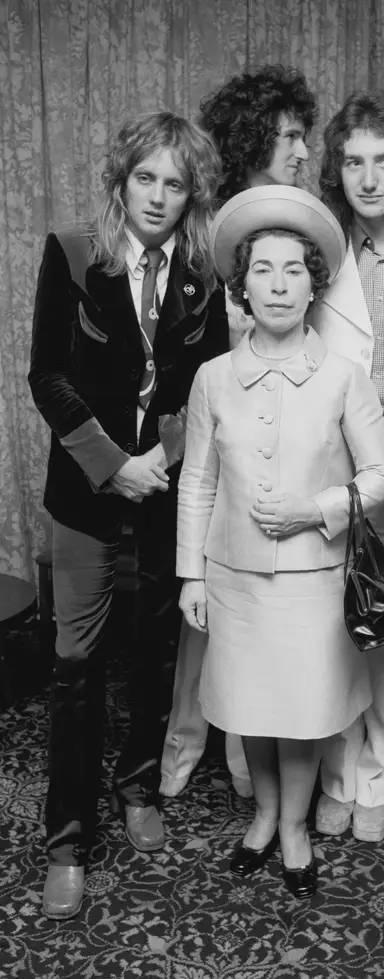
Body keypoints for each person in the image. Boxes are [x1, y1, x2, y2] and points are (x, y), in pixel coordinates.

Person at [29, 111, 228, 920]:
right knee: (76, 670)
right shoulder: (74, 252)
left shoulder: (205, 273)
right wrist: (116, 465)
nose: (157, 195)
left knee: (151, 655)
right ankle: (68, 838)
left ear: (191, 195)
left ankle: (138, 787)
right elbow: (48, 376)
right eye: (145, 177)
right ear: (122, 179)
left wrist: (161, 464)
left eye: (174, 183)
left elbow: (204, 389)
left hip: (164, 498)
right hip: (84, 498)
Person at [176, 184, 384, 898]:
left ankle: (295, 825)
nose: (277, 283)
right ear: (242, 286)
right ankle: (265, 815)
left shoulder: (342, 377)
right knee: (252, 709)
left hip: (313, 578)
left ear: (314, 284)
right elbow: (198, 484)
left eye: (293, 269)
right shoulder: (212, 379)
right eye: (262, 270)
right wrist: (191, 575)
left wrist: (315, 508)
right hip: (233, 576)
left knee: (301, 714)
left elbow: (382, 475)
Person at [160, 65, 317, 800]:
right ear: (255, 137)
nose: (302, 151)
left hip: (286, 454)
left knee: (262, 629)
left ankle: (246, 766)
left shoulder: (303, 227)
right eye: (290, 135)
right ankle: (183, 750)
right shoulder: (208, 230)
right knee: (203, 615)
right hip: (210, 439)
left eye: (304, 136)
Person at [307, 91, 384, 844]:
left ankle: (379, 777)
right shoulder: (321, 251)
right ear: (337, 169)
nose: (369, 178)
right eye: (354, 161)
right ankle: (337, 776)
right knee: (331, 626)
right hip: (335, 466)